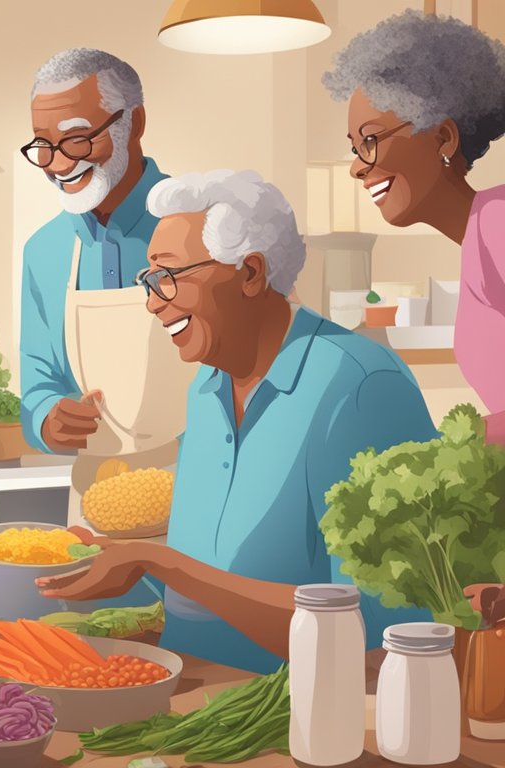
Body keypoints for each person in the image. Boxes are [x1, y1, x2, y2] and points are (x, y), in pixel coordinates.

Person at [37, 170, 435, 674]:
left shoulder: (362, 386)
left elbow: (382, 631)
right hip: (188, 694)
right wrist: (126, 562)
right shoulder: (206, 390)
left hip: (292, 721)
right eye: (148, 279)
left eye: (168, 276)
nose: (152, 301)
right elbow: (208, 585)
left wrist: (163, 564)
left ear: (250, 273)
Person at [18, 48, 194, 608]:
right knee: (97, 660)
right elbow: (37, 378)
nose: (56, 163)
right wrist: (47, 417)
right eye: (42, 146)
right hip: (93, 511)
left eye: (74, 139)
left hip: (198, 496)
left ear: (134, 124)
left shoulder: (198, 225)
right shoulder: (44, 252)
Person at [322, 10, 505, 444]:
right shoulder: (477, 239)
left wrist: (453, 445)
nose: (356, 167)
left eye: (370, 140)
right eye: (355, 147)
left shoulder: (498, 221)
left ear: (444, 138)